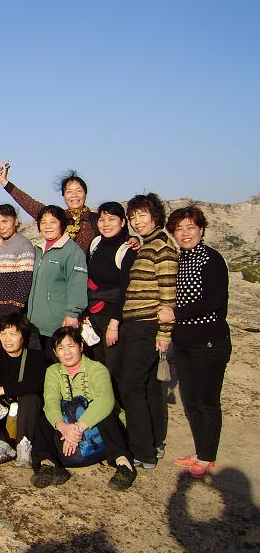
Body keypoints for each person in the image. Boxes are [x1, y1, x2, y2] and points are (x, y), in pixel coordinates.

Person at [158, 206, 228, 478]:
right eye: (179, 229)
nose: (185, 233)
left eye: (190, 227)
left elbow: (214, 301)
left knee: (207, 400)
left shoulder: (211, 259)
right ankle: (201, 452)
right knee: (191, 400)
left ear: (201, 229)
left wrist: (175, 314)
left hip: (209, 341)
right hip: (184, 342)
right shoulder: (180, 259)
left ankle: (208, 456)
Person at [29, 327, 137, 491]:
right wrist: (63, 427)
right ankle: (47, 464)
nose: (67, 352)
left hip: (97, 434)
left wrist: (78, 428)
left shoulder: (97, 369)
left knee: (106, 415)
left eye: (71, 346)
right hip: (69, 433)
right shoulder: (53, 371)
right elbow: (51, 401)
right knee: (43, 420)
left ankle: (124, 465)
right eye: (61, 348)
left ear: (81, 346)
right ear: (55, 352)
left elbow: (105, 401)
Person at [117, 193, 178, 469]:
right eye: (133, 216)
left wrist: (164, 333)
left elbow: (168, 294)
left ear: (156, 215)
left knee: (130, 386)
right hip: (141, 325)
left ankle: (142, 451)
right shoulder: (149, 244)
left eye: (142, 215)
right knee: (151, 387)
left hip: (145, 325)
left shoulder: (162, 246)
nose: (137, 221)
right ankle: (155, 442)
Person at [0, 314, 47, 467]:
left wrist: (1, 390)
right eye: (3, 333)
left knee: (30, 397)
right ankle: (0, 444)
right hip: (4, 412)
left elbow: (36, 384)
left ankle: (24, 446)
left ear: (23, 336)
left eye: (12, 334)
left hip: (26, 414)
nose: (7, 339)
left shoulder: (36, 357)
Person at [27, 205, 88, 355]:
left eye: (53, 222)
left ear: (62, 224)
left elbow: (77, 284)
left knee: (63, 362)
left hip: (59, 324)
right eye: (43, 222)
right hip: (37, 324)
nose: (47, 226)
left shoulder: (71, 251)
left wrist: (73, 314)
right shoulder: (38, 250)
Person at [0, 163, 98, 253]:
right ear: (64, 195)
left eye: (79, 191)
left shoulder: (97, 220)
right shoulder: (58, 217)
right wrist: (5, 182)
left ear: (85, 193)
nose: (74, 195)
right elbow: (30, 204)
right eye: (69, 192)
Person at [86, 201, 137, 378]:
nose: (106, 224)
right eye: (102, 219)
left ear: (122, 222)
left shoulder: (127, 249)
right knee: (98, 367)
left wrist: (114, 324)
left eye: (112, 219)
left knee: (114, 368)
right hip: (93, 314)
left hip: (113, 316)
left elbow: (125, 290)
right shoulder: (95, 243)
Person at [0, 204, 34, 321]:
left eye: (5, 221)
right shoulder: (0, 244)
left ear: (16, 221)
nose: (1, 227)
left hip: (14, 309)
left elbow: (25, 280)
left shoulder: (24, 244)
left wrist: (16, 308)